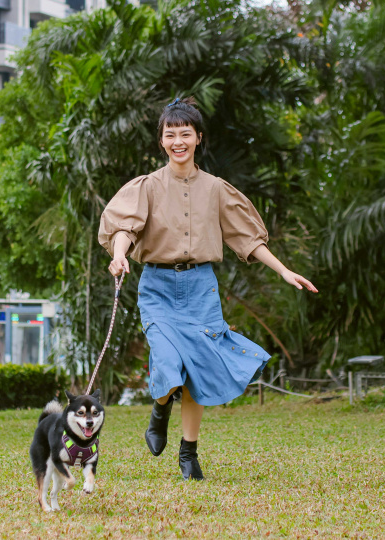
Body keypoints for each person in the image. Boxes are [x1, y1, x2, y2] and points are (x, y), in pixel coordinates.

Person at [98, 97, 318, 481]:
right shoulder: (147, 186)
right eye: (170, 134)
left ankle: (189, 453)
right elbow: (123, 228)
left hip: (200, 288)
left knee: (197, 371)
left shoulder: (216, 189)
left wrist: (283, 271)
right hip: (158, 286)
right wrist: (119, 257)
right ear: (162, 140)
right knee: (168, 361)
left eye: (185, 133)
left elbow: (247, 237)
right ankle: (160, 409)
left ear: (198, 138)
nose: (178, 141)